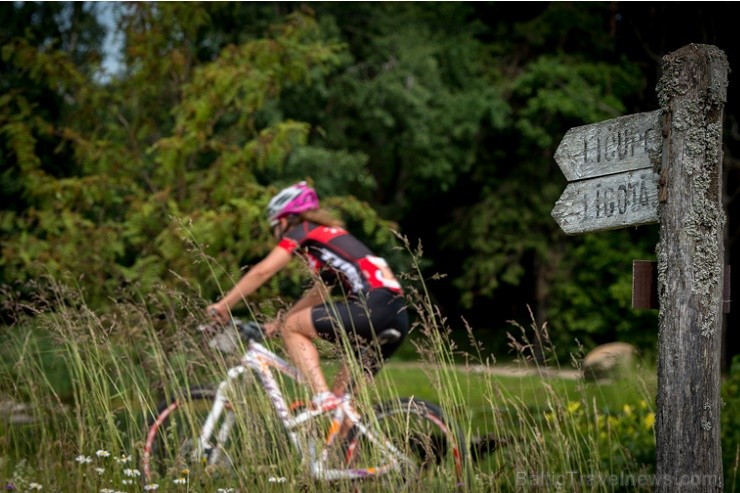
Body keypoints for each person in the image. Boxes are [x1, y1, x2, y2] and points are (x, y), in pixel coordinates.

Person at [207, 181, 408, 411]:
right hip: (397, 316)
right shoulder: (329, 240)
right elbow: (318, 294)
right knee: (342, 407)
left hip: (372, 306)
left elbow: (263, 271)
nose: (276, 235)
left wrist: (223, 305)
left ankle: (320, 395)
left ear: (284, 220)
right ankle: (345, 440)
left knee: (293, 328)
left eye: (274, 227)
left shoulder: (303, 231)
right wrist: (277, 323)